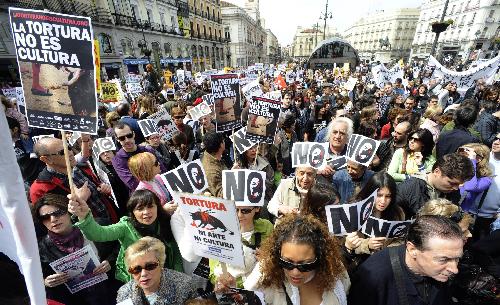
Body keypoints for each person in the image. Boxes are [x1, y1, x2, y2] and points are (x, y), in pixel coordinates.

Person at [68, 189, 184, 283]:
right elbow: (99, 234)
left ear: (157, 207)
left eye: (150, 206)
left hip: (167, 275)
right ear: (132, 212)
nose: (146, 212)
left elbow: (176, 254)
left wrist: (179, 278)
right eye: (140, 208)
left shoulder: (166, 222)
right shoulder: (126, 226)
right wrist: (84, 216)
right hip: (140, 280)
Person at [348, 215, 464, 305]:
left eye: (457, 258)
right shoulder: (373, 277)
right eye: (443, 260)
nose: (454, 270)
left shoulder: (440, 272)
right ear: (412, 249)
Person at [250, 214, 350, 304]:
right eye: (287, 262)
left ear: (320, 257)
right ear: (277, 255)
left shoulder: (335, 271)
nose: (295, 273)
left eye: (305, 265)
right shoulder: (264, 274)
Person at [35, 193, 116, 305]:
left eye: (58, 213)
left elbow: (122, 248)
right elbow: (35, 280)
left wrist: (110, 261)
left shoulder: (96, 226)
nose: (53, 219)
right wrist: (46, 282)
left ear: (69, 211)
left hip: (113, 292)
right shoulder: (42, 249)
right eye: (45, 217)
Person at [30, 137, 118, 222]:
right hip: (88, 234)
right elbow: (51, 222)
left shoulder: (81, 168)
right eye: (62, 152)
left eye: (68, 148)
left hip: (112, 223)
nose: (70, 153)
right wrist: (79, 202)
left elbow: (98, 189)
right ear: (46, 159)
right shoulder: (39, 189)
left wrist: (102, 189)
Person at [116, 237, 197, 304]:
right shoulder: (125, 293)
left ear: (161, 264)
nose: (143, 274)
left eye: (150, 266)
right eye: (136, 269)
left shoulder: (184, 286)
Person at [210, 205, 273, 290]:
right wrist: (221, 281)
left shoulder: (266, 227)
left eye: (245, 211)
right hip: (232, 290)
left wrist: (266, 259)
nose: (239, 215)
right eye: (235, 210)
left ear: (257, 208)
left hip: (260, 286)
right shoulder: (219, 229)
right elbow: (212, 272)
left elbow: (273, 261)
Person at [344, 173, 405, 258]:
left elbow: (399, 240)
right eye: (379, 195)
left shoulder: (397, 213)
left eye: (388, 196)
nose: (383, 201)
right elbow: (346, 242)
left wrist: (387, 250)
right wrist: (367, 245)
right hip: (358, 260)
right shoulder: (354, 210)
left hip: (384, 258)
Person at [396, 153, 474, 219]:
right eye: (452, 183)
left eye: (459, 184)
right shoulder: (409, 188)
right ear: (437, 172)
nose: (456, 188)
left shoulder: (452, 190)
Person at [112, 122, 167, 191]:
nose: (127, 140)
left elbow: (163, 170)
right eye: (122, 138)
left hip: (162, 188)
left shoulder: (148, 150)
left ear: (134, 134)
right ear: (117, 139)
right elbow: (133, 184)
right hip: (146, 196)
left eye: (129, 135)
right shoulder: (118, 160)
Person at [471, 133, 500, 241]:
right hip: (468, 213)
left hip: (490, 219)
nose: (496, 142)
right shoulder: (482, 157)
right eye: (495, 138)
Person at [456, 144, 493, 214]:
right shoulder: (456, 170)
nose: (464, 155)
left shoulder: (486, 180)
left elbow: (469, 187)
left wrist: (471, 161)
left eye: (468, 153)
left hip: (460, 216)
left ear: (479, 159)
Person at [201, 131, 227, 198]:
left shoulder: (211, 156)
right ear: (221, 145)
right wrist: (233, 175)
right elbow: (221, 195)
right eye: (223, 140)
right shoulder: (211, 171)